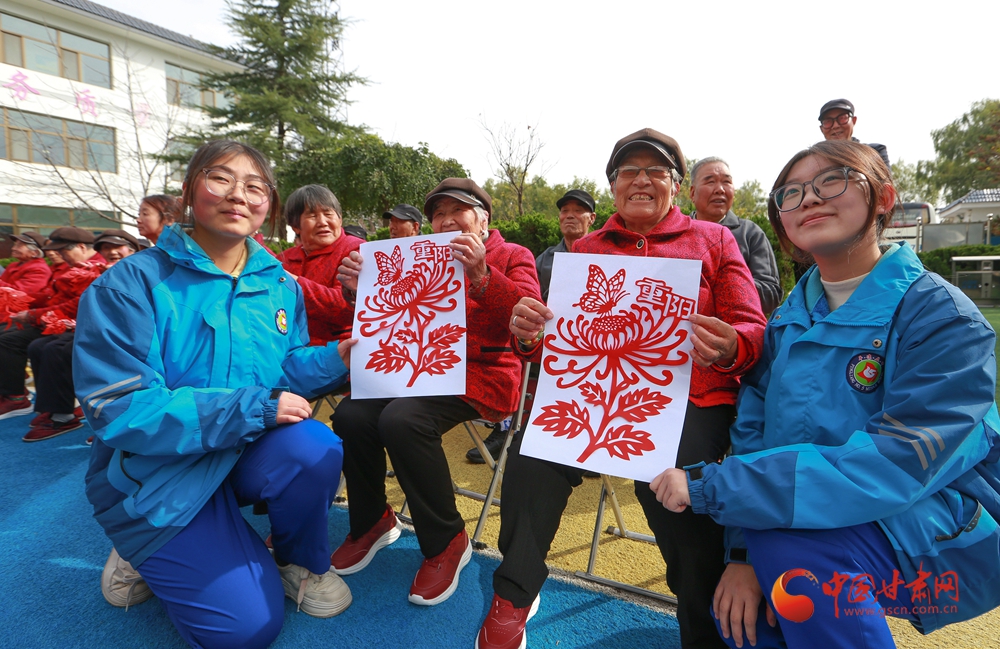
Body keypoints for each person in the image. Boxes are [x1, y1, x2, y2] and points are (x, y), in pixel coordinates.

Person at [652, 140, 1000, 649]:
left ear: (883, 198)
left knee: (794, 562)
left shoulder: (943, 317)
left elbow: (898, 463)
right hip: (828, 521)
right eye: (791, 193)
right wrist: (742, 554)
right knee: (745, 617)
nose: (809, 198)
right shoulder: (787, 321)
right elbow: (753, 435)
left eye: (832, 180)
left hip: (954, 531)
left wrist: (718, 488)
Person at [481, 129, 767, 649]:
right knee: (529, 457)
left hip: (688, 399)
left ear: (676, 185)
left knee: (676, 485)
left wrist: (732, 345)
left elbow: (752, 326)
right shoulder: (586, 248)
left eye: (655, 171)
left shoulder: (714, 240)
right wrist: (529, 337)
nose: (641, 180)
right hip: (590, 395)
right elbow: (558, 343)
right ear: (612, 187)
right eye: (628, 171)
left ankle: (702, 621)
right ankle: (514, 593)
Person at [76, 140, 357, 648]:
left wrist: (336, 359)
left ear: (269, 204)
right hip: (157, 472)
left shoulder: (280, 284)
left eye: (254, 186)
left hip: (241, 450)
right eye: (221, 178)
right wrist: (252, 408)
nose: (238, 196)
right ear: (189, 191)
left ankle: (296, 561)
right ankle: (144, 548)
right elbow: (119, 407)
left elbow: (285, 368)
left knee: (314, 445)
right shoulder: (131, 284)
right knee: (244, 630)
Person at [332, 177, 541, 607]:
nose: (446, 221)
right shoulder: (416, 256)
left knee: (403, 419)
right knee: (351, 414)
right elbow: (387, 316)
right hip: (418, 369)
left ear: (483, 220)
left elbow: (529, 318)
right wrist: (356, 290)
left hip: (482, 374)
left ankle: (446, 538)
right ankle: (372, 520)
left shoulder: (512, 255)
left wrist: (481, 273)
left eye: (456, 211)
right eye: (438, 215)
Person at [466, 188, 597, 465]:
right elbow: (525, 299)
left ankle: (592, 443)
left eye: (578, 211)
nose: (570, 216)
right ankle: (508, 429)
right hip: (543, 338)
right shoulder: (544, 258)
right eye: (565, 211)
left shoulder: (604, 255)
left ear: (592, 218)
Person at [0, 227, 107, 421]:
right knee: (31, 344)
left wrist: (32, 314)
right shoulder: (72, 266)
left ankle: (47, 407)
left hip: (84, 325)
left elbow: (77, 304)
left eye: (63, 250)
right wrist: (18, 301)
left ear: (82, 247)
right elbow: (50, 296)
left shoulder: (96, 268)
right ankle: (49, 406)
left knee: (46, 347)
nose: (58, 255)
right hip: (63, 321)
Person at [689, 158, 782, 314]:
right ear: (692, 193)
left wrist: (724, 283)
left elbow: (770, 295)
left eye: (726, 182)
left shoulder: (750, 233)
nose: (720, 189)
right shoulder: (676, 232)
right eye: (710, 182)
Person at [278, 185, 361, 346]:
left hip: (341, 352)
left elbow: (346, 308)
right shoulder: (284, 259)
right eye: (312, 216)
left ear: (340, 219)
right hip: (288, 350)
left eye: (328, 214)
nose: (322, 222)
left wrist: (293, 282)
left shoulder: (355, 251)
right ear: (295, 226)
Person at [818, 98, 890, 168]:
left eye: (842, 118)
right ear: (822, 129)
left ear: (853, 121)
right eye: (828, 122)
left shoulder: (875, 152)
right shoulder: (816, 160)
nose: (835, 126)